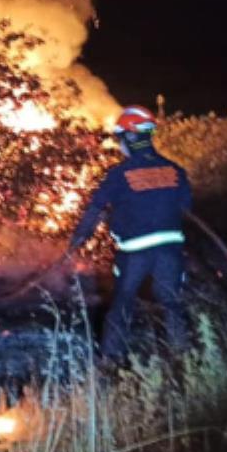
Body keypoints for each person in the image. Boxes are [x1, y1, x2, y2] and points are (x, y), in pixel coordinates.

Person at [69, 106, 193, 360]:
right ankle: (183, 360)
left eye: (120, 138)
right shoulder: (175, 170)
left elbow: (95, 208)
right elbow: (185, 208)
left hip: (134, 252)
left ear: (131, 137)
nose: (119, 144)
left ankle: (111, 360)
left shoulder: (119, 174)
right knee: (172, 304)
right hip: (171, 250)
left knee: (122, 302)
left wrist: (79, 238)